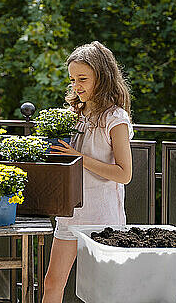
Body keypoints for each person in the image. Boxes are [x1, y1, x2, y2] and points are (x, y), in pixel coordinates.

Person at [42, 41, 134, 303]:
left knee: (101, 292)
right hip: (71, 212)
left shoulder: (115, 119)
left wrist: (79, 158)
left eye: (82, 79)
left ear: (102, 78)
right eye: (72, 80)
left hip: (102, 217)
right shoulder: (76, 113)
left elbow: (124, 174)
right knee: (52, 283)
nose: (76, 86)